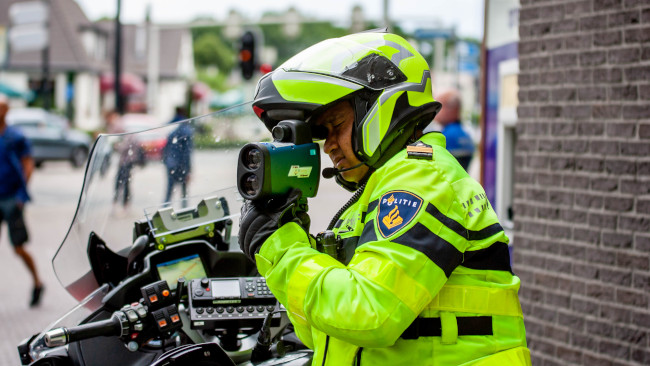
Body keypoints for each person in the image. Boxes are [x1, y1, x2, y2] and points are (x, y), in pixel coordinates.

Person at [238, 31, 530, 365]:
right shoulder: (372, 197)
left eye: (335, 126)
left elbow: (368, 314)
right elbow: (333, 330)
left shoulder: (421, 179)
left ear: (380, 108)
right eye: (322, 134)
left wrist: (281, 248)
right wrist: (287, 239)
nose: (328, 145)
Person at [0, 94, 44, 307]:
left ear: (7, 111)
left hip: (11, 198)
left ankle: (37, 283)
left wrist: (21, 194)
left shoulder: (15, 137)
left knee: (18, 247)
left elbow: (28, 164)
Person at [431, 89, 475, 171]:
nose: (434, 111)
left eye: (438, 106)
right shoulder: (466, 134)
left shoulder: (445, 137)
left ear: (452, 109)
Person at [162, 107, 193, 206]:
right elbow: (187, 153)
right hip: (181, 165)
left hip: (170, 163)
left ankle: (164, 211)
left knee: (169, 190)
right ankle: (185, 213)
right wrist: (189, 170)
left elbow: (166, 148)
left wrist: (166, 161)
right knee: (183, 192)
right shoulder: (186, 130)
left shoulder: (171, 126)